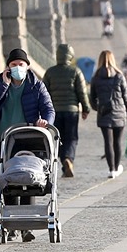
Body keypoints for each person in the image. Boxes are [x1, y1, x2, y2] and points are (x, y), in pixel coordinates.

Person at [0, 48, 55, 243]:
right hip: (5, 138)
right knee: (9, 180)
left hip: (29, 137)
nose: (17, 68)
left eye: (21, 65)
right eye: (13, 65)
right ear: (8, 68)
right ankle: (11, 224)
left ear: (27, 66)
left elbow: (48, 108)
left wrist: (45, 121)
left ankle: (26, 226)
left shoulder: (36, 85)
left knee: (29, 179)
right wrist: (4, 85)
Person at [43, 44, 91, 178]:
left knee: (58, 138)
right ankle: (69, 159)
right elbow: (82, 92)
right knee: (72, 138)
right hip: (71, 111)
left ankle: (64, 163)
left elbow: (44, 93)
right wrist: (86, 108)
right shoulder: (75, 71)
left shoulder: (50, 72)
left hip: (55, 111)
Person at [89, 50, 127, 179]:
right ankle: (117, 166)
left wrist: (98, 108)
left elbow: (92, 98)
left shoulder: (96, 77)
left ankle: (111, 170)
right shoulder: (119, 76)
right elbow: (125, 97)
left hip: (104, 114)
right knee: (117, 142)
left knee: (107, 142)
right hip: (119, 113)